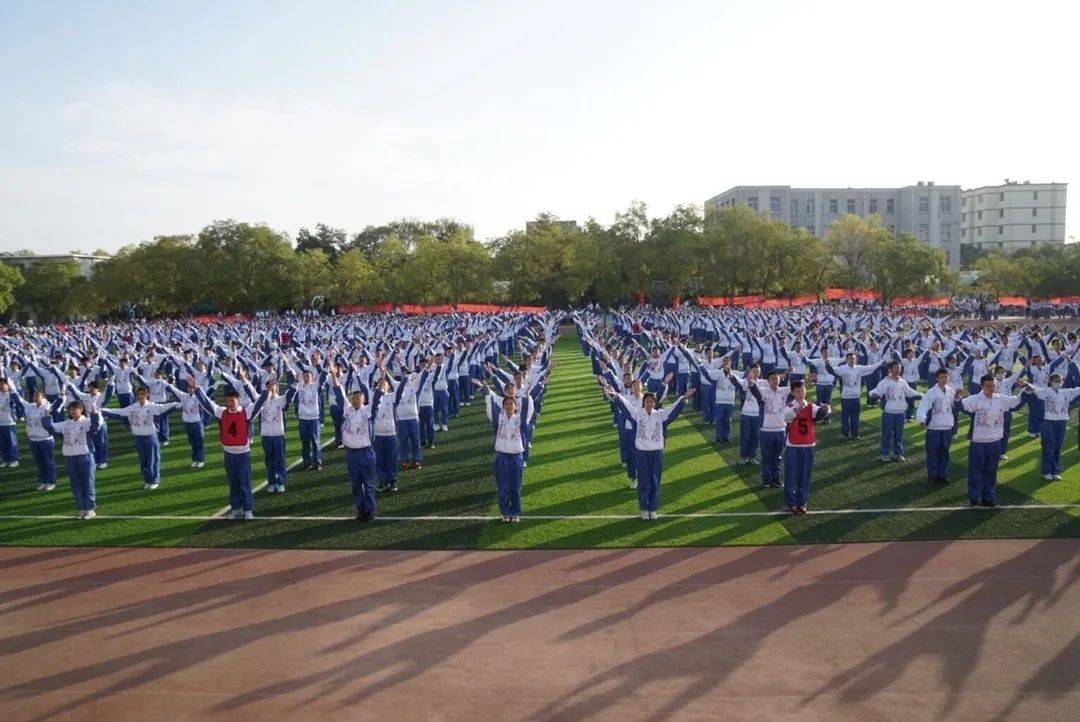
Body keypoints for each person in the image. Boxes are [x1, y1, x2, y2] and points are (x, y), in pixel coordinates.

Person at [604, 383, 693, 520]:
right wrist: (615, 395)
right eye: (647, 401)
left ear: (655, 403)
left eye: (651, 401)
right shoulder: (637, 414)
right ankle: (644, 509)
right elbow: (625, 405)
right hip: (642, 453)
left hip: (656, 453)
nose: (649, 403)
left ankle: (653, 509)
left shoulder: (661, 415)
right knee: (644, 481)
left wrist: (683, 398)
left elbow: (673, 409)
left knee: (655, 481)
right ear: (643, 403)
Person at [191, 374, 268, 520]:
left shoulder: (245, 412)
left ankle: (248, 510)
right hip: (228, 454)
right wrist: (196, 389)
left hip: (242, 454)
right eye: (228, 401)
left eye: (232, 400)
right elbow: (207, 404)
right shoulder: (222, 412)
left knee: (245, 483)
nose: (230, 403)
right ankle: (236, 509)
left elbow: (259, 403)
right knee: (233, 483)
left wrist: (267, 391)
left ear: (238, 401)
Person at [959, 374, 1024, 508]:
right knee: (975, 471)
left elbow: (1017, 402)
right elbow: (960, 405)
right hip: (978, 442)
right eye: (988, 386)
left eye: (993, 385)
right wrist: (955, 396)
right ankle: (974, 497)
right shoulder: (974, 399)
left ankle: (988, 497)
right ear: (982, 386)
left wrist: (1025, 389)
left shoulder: (1001, 399)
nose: (991, 388)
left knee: (991, 471)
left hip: (995, 442)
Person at [477, 379, 536, 522]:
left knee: (515, 487)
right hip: (502, 457)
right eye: (507, 404)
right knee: (503, 486)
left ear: (515, 406)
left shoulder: (520, 420)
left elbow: (529, 411)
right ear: (503, 406)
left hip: (516, 457)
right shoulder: (499, 420)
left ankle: (515, 512)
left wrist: (528, 395)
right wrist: (487, 391)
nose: (509, 406)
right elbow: (490, 407)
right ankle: (505, 513)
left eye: (511, 404)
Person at [100, 386, 179, 490]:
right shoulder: (132, 408)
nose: (141, 396)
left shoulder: (153, 406)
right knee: (143, 461)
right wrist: (101, 410)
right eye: (139, 394)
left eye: (143, 394)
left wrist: (178, 404)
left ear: (147, 395)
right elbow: (118, 412)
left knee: (153, 459)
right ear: (137, 395)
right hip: (138, 438)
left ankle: (154, 480)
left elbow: (166, 407)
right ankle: (147, 480)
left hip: (151, 437)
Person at [329, 369, 379, 521]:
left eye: (359, 397)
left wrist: (380, 383)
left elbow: (376, 400)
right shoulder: (347, 410)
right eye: (354, 397)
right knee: (356, 484)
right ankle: (360, 509)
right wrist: (333, 375)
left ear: (363, 399)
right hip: (351, 453)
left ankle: (370, 510)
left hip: (366, 452)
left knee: (368, 483)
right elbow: (339, 392)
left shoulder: (367, 411)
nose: (356, 399)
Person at [41, 400, 96, 519]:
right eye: (71, 409)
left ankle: (90, 509)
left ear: (81, 410)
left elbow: (96, 425)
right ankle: (81, 509)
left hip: (85, 457)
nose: (73, 411)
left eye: (75, 409)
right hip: (70, 458)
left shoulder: (87, 422)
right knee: (75, 485)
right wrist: (46, 413)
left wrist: (95, 412)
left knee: (87, 483)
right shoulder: (65, 424)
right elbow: (49, 427)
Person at [781, 380, 830, 514]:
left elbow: (820, 413)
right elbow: (786, 417)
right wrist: (797, 409)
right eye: (797, 391)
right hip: (793, 445)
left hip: (808, 445)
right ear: (792, 393)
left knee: (805, 476)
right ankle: (791, 504)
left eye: (802, 390)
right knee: (791, 476)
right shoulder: (789, 406)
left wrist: (825, 409)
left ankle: (802, 503)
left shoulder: (811, 406)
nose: (801, 393)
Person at [1024, 373, 1080, 481]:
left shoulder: (1067, 392)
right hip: (1048, 422)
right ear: (1050, 382)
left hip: (1062, 422)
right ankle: (1046, 471)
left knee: (1058, 447)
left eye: (1060, 381)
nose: (1058, 383)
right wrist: (1026, 383)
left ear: (1063, 382)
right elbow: (1035, 389)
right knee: (1048, 447)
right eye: (1056, 381)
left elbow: (1078, 389)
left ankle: (1055, 471)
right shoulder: (1046, 391)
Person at [915, 369, 963, 484]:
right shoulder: (931, 392)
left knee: (944, 453)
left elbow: (956, 406)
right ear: (937, 378)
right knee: (932, 453)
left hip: (947, 427)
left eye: (946, 377)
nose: (944, 380)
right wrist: (922, 420)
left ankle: (942, 474)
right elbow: (922, 407)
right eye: (942, 377)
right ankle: (932, 475)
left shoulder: (951, 391)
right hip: (934, 428)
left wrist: (957, 397)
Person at [868, 361, 922, 462]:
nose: (898, 370)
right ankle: (885, 454)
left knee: (899, 435)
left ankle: (898, 453)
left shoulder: (902, 381)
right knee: (886, 435)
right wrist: (873, 394)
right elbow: (877, 391)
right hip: (889, 413)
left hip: (901, 413)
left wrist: (921, 395)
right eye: (896, 368)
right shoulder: (885, 381)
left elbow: (909, 392)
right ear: (890, 369)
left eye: (900, 368)